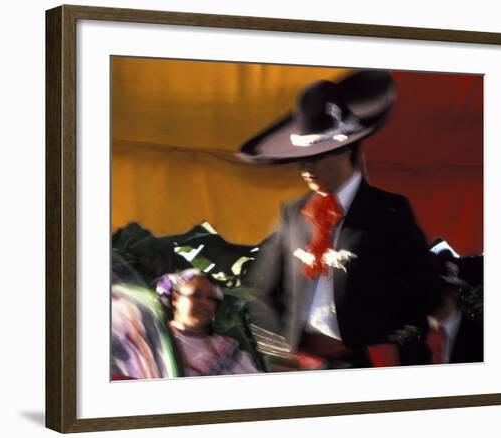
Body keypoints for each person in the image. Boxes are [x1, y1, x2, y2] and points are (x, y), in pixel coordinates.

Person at [238, 70, 438, 369]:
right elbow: (259, 287)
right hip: (302, 364)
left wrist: (389, 338)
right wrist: (282, 348)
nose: (305, 168)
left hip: (370, 362)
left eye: (316, 157)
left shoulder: (389, 210)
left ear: (345, 149)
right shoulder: (293, 214)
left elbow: (425, 288)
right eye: (300, 159)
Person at [156, 269, 260, 376]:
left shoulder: (226, 347)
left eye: (211, 298)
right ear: (175, 298)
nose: (205, 303)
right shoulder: (156, 340)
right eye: (196, 295)